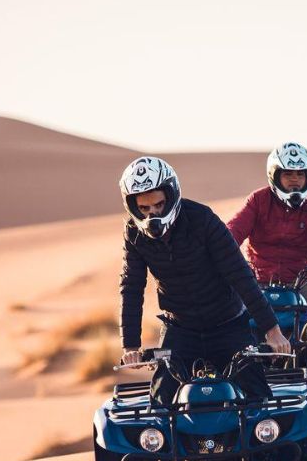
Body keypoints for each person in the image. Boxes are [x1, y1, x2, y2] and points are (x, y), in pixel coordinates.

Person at [117, 156, 291, 403]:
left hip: (228, 325)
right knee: (159, 405)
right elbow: (131, 287)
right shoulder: (134, 234)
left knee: (258, 400)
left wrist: (272, 331)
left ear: (172, 194)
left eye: (159, 204)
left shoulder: (202, 219)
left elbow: (240, 274)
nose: (153, 213)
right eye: (144, 209)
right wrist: (130, 346)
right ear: (132, 207)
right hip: (180, 329)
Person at [227, 142, 307, 305]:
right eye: (288, 174)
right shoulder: (258, 200)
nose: (295, 179)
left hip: (299, 283)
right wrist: (219, 250)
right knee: (227, 316)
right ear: (275, 175)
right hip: (257, 282)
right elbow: (234, 230)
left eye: (300, 174)